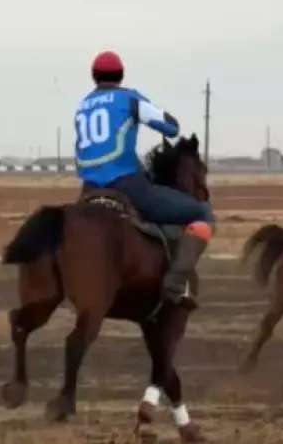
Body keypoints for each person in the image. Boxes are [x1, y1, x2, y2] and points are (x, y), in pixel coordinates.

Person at [74, 50, 214, 308]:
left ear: (94, 77)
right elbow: (171, 127)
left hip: (88, 190)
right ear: (121, 75)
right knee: (201, 213)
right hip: (126, 184)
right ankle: (175, 286)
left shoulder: (82, 106)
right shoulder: (128, 98)